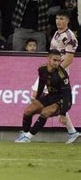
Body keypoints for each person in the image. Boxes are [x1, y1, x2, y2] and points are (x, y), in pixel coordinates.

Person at [30, 9, 79, 143]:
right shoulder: (57, 33)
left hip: (58, 73)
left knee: (36, 96)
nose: (59, 21)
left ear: (68, 20)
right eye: (57, 18)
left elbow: (69, 59)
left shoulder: (70, 37)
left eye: (62, 19)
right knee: (36, 96)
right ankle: (72, 131)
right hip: (50, 70)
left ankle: (28, 133)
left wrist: (55, 71)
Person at [15, 50, 73, 143]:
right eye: (54, 60)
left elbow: (67, 95)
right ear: (48, 59)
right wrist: (37, 100)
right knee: (28, 110)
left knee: (45, 112)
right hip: (51, 96)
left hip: (62, 100)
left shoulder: (62, 75)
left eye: (59, 61)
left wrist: (63, 113)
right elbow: (41, 84)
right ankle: (25, 133)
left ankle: (28, 137)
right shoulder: (42, 69)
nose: (57, 63)